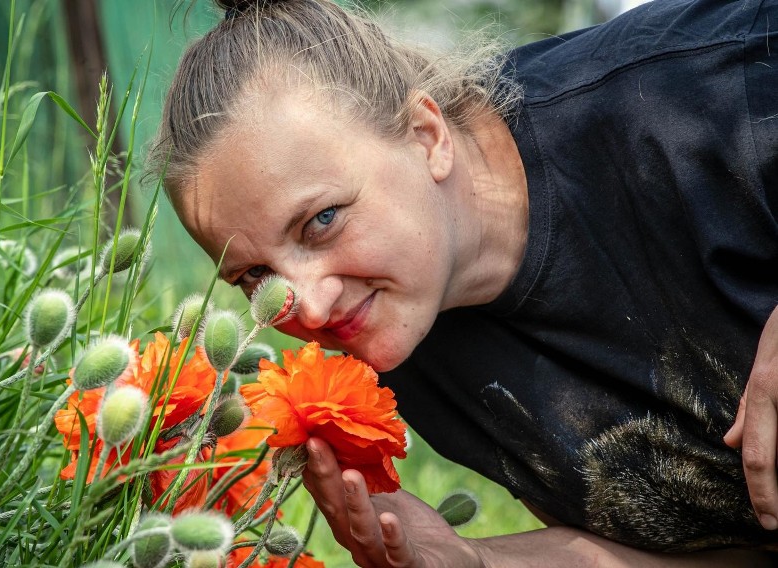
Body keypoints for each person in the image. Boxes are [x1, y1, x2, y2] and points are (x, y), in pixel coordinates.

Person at [149, 0, 778, 565]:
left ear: (427, 135)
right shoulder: (395, 335)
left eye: (322, 221)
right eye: (255, 276)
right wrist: (474, 561)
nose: (309, 308)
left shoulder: (708, 85)